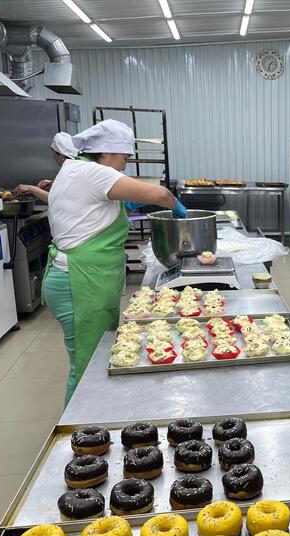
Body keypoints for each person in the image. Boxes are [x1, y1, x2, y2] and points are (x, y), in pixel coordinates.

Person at [41, 119, 186, 405]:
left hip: (86, 279)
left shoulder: (75, 169)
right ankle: (80, 428)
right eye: (124, 158)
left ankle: (95, 416)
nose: (123, 166)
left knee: (95, 357)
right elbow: (161, 194)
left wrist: (125, 202)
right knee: (87, 366)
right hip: (80, 282)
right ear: (106, 152)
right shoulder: (92, 172)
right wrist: (178, 208)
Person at [15, 132, 78, 203]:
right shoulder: (75, 167)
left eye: (54, 153)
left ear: (61, 155)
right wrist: (52, 183)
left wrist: (30, 188)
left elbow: (54, 200)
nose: (54, 157)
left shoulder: (70, 171)